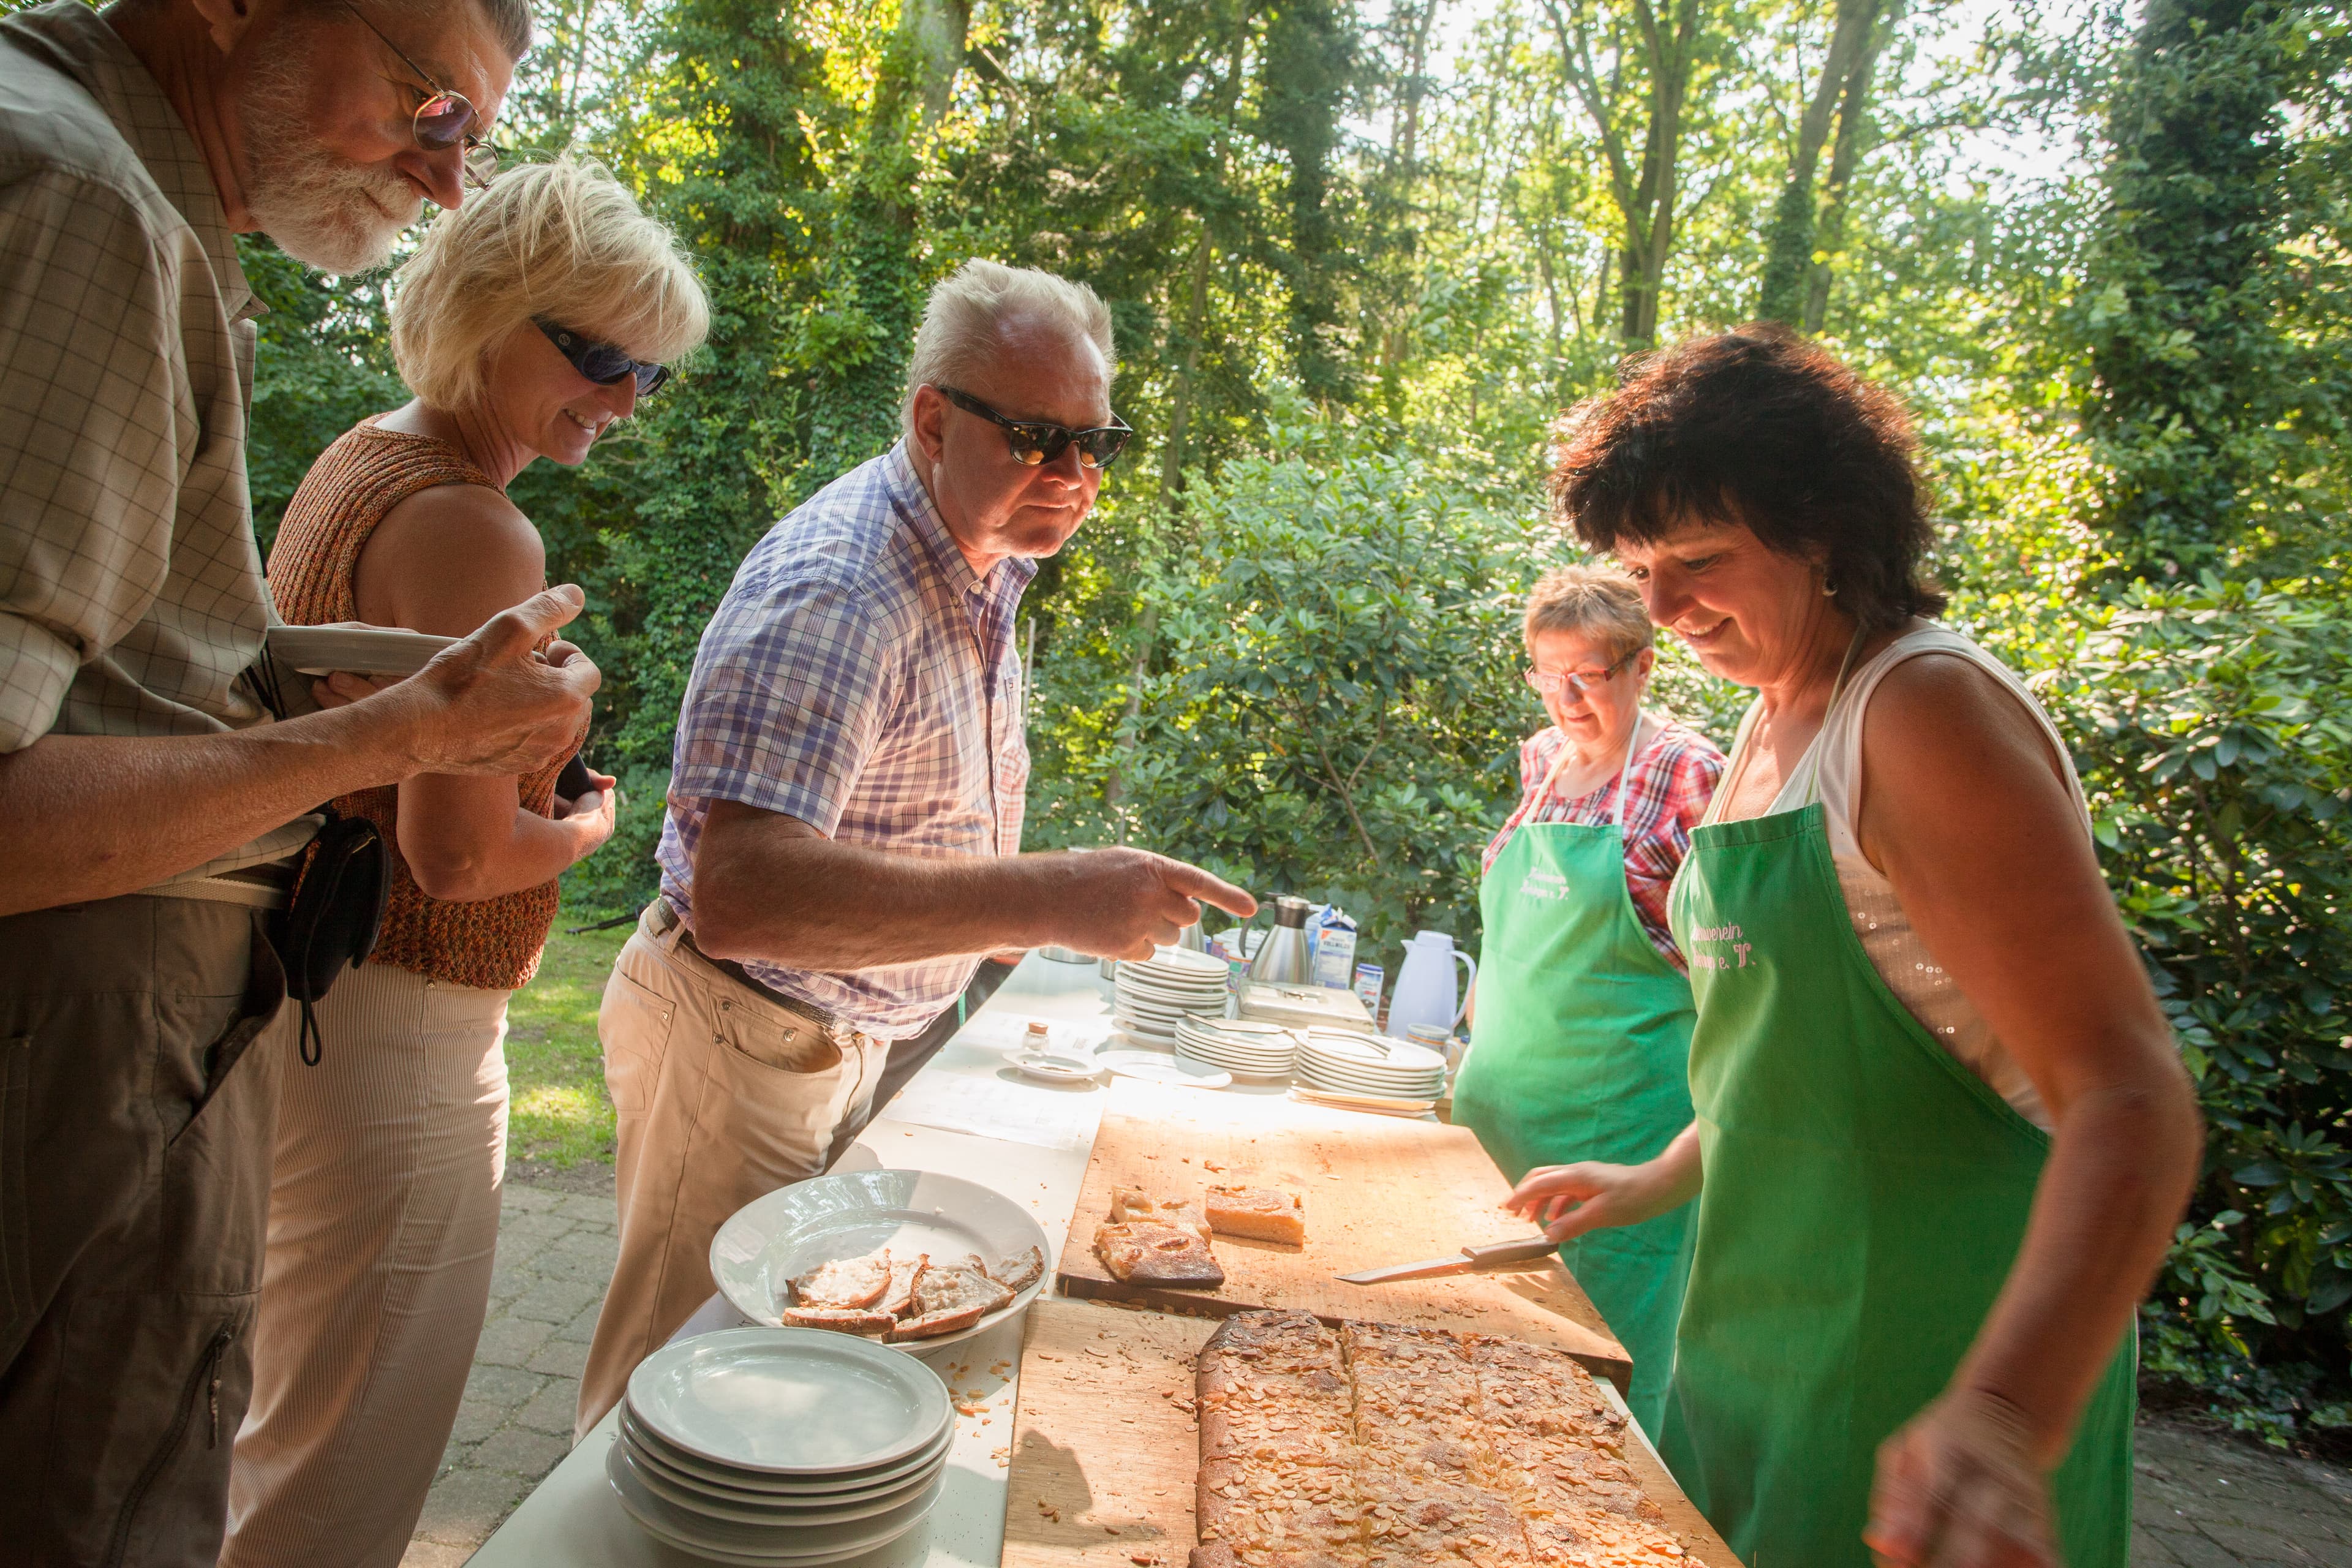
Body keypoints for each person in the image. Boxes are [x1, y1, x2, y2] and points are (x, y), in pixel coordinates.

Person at [0, 0, 600, 1560]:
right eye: (426, 103)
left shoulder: (131, 191)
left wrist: (340, 681)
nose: (445, 176)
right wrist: (397, 738)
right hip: (82, 1045)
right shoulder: (84, 200)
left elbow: (123, 668)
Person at [1504, 326, 2202, 1568]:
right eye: (1638, 564)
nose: (1659, 607)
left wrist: (2001, 1414)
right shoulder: (1774, 721)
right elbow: (1798, 1055)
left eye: (1699, 560)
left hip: (1926, 1376)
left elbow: (2134, 1094)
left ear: (1824, 531)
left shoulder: (1922, 711)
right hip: (1759, 1344)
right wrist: (1656, 1174)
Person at [575, 259, 1256, 1435]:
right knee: (670, 1414)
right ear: (933, 420)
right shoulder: (847, 581)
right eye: (1040, 439)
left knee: (778, 1402)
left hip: (838, 1042)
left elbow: (914, 841)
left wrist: (1038, 923)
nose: (1078, 477)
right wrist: (1051, 897)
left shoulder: (986, 562)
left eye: (1100, 443)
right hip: (740, 1035)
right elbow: (744, 892)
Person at [221, 158, 708, 1568]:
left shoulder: (367, 457)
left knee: (286, 1420)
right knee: (348, 1466)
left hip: (315, 1001)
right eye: (598, 354)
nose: (619, 400)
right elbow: (453, 856)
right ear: (486, 312)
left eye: (648, 375)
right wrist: (593, 828)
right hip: (403, 1026)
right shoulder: (470, 520)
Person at [1451, 565, 1723, 1440]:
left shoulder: (1689, 772)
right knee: (1460, 1379)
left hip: (1615, 1151)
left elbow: (1738, 975)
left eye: (1589, 675)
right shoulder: (1543, 759)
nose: (1565, 698)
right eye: (1546, 673)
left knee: (1582, 1403)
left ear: (1644, 667)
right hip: (1491, 1128)